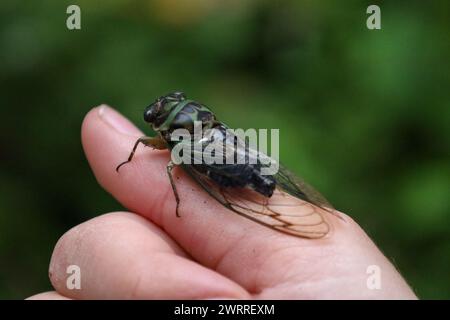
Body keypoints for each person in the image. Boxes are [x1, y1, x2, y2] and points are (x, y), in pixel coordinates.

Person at [28, 105, 417, 299]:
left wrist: (173, 191)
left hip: (226, 175)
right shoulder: (195, 123)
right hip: (235, 157)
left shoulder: (169, 143)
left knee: (170, 171)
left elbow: (169, 171)